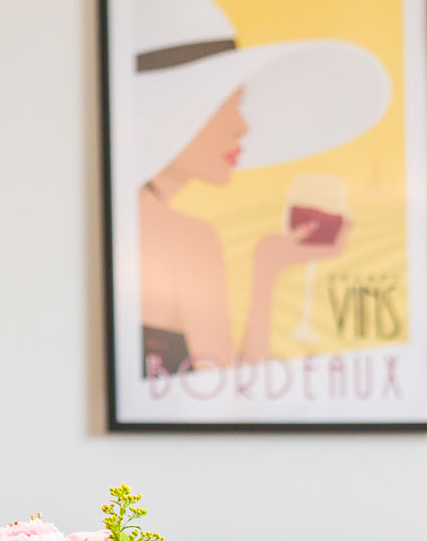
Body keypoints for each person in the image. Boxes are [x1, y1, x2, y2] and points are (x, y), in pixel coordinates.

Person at [140, 88, 349, 375]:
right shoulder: (187, 237)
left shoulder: (132, 216)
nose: (242, 126)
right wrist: (266, 270)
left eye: (238, 105)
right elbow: (232, 398)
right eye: (221, 105)